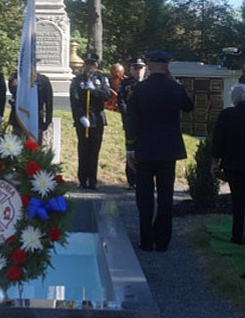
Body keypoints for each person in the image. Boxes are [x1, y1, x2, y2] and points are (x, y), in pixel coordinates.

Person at [126, 50, 193, 252]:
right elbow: (189, 107)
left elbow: (131, 120)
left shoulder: (139, 89)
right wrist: (174, 81)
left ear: (149, 65)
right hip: (167, 151)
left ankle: (146, 240)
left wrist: (130, 148)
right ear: (166, 66)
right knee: (165, 196)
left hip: (144, 149)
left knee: (144, 197)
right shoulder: (175, 88)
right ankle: (162, 240)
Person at [210, 83, 245, 244]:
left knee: (238, 200)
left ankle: (238, 235)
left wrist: (215, 162)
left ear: (234, 99)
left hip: (233, 164)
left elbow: (218, 141)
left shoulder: (226, 114)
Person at [69, 52, 111, 190]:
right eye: (87, 64)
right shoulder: (77, 80)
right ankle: (82, 180)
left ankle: (93, 180)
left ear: (96, 65)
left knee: (94, 151)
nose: (90, 67)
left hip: (97, 120)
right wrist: (80, 116)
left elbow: (107, 95)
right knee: (83, 149)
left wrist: (93, 91)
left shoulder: (102, 79)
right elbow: (74, 100)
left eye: (92, 64)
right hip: (83, 120)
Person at [117, 57, 147, 188]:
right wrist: (128, 117)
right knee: (131, 150)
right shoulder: (126, 84)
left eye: (141, 67)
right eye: (135, 68)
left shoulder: (148, 84)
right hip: (131, 123)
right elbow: (121, 102)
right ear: (131, 69)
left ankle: (144, 179)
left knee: (145, 151)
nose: (138, 70)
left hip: (146, 124)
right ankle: (132, 180)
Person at [7, 69, 54, 144]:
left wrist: (48, 120)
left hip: (36, 118)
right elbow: (12, 90)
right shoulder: (16, 78)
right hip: (18, 119)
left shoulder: (43, 80)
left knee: (34, 148)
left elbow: (49, 102)